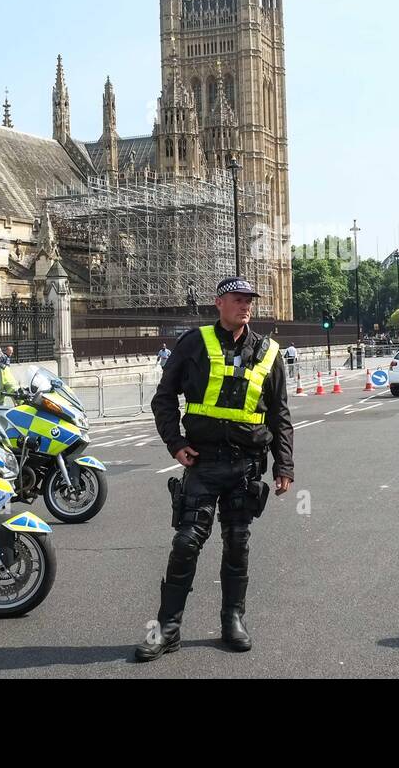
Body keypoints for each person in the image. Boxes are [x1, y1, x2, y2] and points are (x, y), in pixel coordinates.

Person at [136, 277, 294, 662]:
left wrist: (283, 465)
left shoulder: (268, 351)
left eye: (249, 301)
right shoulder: (193, 343)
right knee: (186, 543)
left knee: (237, 544)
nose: (245, 307)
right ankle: (166, 629)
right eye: (238, 300)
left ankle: (232, 620)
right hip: (203, 462)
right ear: (219, 303)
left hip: (245, 465)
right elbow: (164, 398)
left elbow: (279, 414)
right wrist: (175, 443)